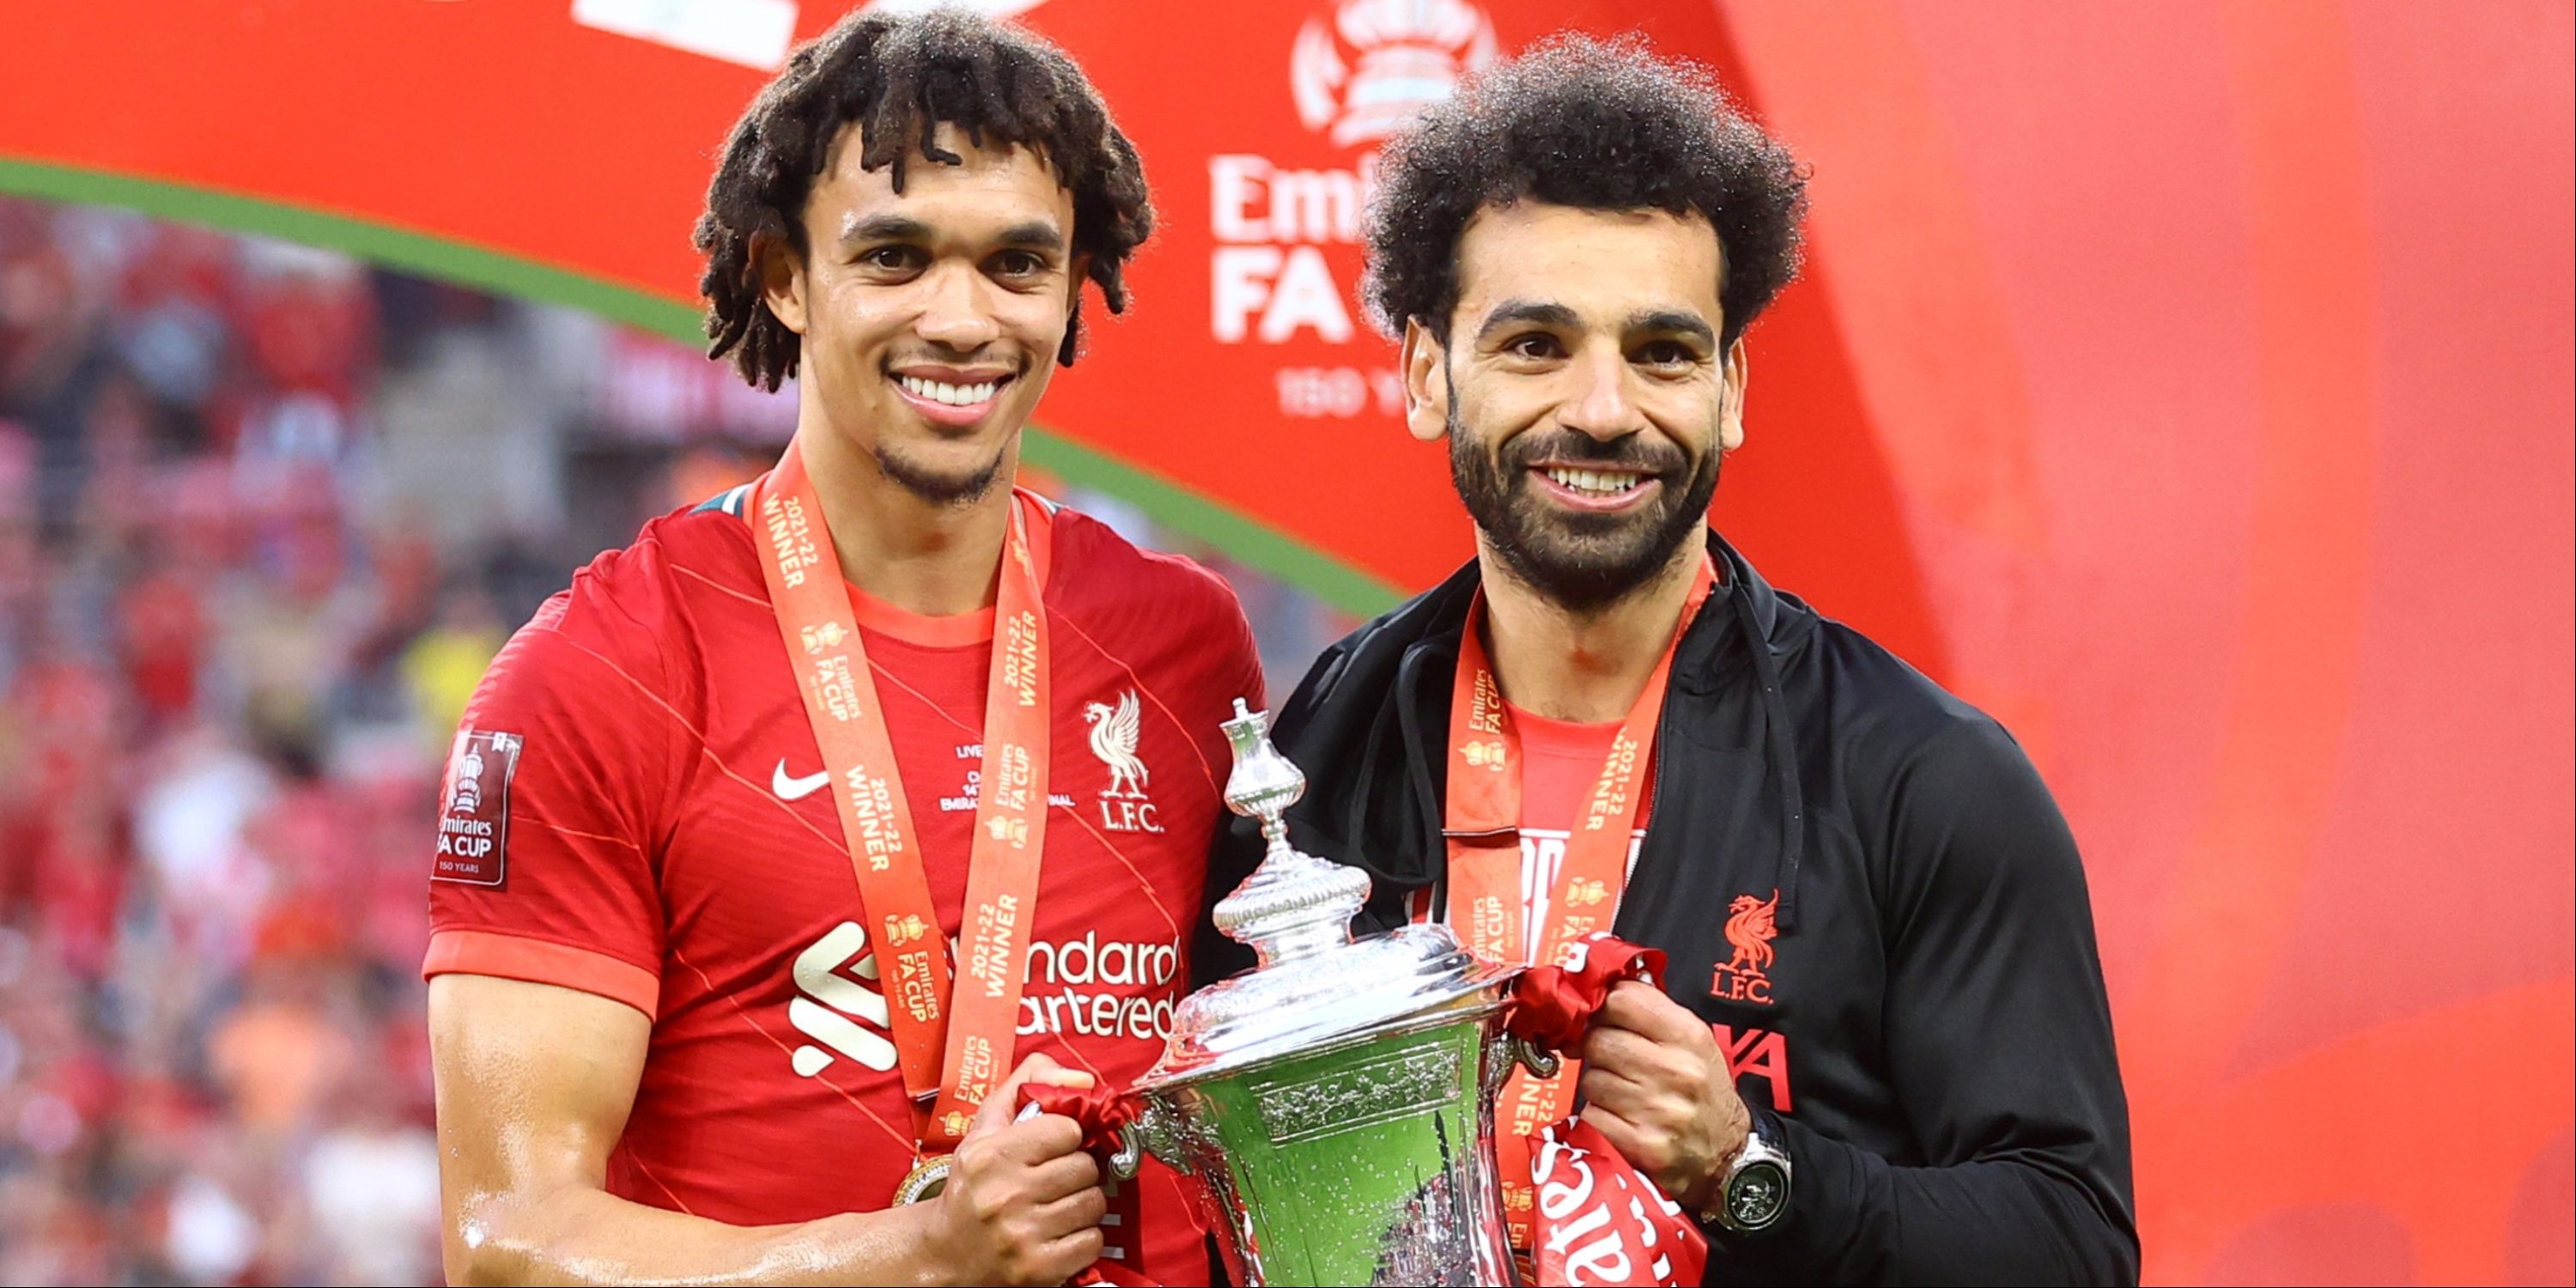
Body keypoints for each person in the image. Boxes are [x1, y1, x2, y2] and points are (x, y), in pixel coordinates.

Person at [1205, 35, 2136, 1285]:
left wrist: (1752, 1170)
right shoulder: (1325, 746)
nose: (1603, 408)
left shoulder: (1921, 778)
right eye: (1536, 344)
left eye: (1662, 351)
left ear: (1732, 387)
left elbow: (2072, 1246)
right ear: (1430, 373)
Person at [425, 11, 1261, 1285]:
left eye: (1016, 264)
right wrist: (920, 1255)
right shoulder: (599, 672)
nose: (962, 318)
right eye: (896, 256)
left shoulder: (1186, 645)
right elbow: (510, 1242)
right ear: (781, 276)